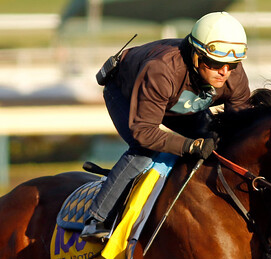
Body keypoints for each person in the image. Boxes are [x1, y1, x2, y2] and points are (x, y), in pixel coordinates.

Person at [81, 11, 251, 239]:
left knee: (218, 141)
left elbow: (241, 129)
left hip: (178, 100)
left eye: (232, 64)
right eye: (215, 63)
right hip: (126, 91)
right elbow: (144, 132)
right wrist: (190, 146)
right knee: (145, 151)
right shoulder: (161, 70)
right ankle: (97, 218)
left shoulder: (233, 76)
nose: (224, 72)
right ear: (196, 57)